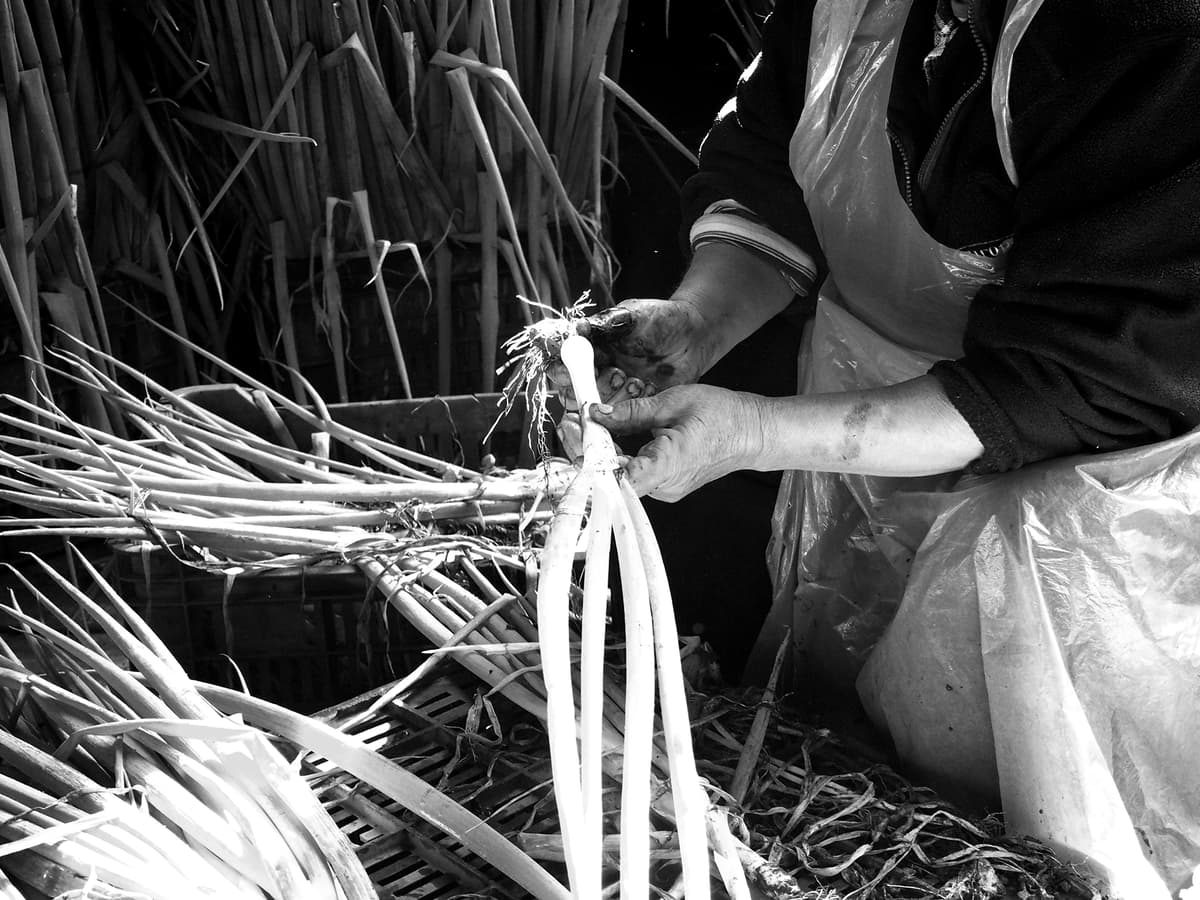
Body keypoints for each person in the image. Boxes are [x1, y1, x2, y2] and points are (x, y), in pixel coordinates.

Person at [561, 0, 1200, 896]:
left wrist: (755, 433)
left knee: (1055, 848)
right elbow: (776, 162)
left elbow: (1086, 362)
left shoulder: (1158, 33)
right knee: (866, 795)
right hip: (862, 466)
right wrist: (697, 322)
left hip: (1083, 540)